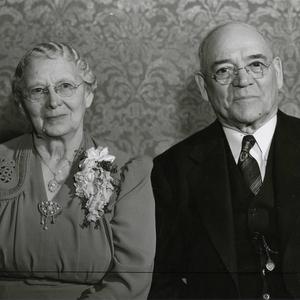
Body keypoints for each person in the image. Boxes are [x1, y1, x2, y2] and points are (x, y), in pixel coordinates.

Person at [149, 21, 300, 299]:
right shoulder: (171, 170)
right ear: (203, 87)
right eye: (224, 71)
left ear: (277, 72)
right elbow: (162, 282)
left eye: (256, 65)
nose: (243, 81)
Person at [0, 42, 155, 300]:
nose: (53, 101)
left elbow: (131, 280)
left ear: (88, 95)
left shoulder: (129, 173)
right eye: (38, 90)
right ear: (20, 103)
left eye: (65, 86)